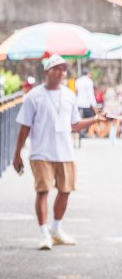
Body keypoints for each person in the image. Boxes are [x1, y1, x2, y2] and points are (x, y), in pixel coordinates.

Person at [12, 55, 102, 250]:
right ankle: (44, 233)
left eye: (64, 69)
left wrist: (96, 120)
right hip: (40, 152)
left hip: (65, 152)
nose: (61, 72)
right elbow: (24, 128)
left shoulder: (69, 95)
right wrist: (17, 153)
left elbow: (75, 125)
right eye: (57, 68)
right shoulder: (33, 96)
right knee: (42, 191)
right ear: (47, 72)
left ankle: (56, 229)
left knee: (65, 191)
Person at [75, 69, 97, 139]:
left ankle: (81, 133)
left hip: (78, 103)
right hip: (86, 104)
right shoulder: (89, 81)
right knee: (91, 119)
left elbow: (76, 92)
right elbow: (91, 94)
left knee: (80, 119)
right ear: (88, 73)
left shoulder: (78, 81)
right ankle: (88, 133)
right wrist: (94, 105)